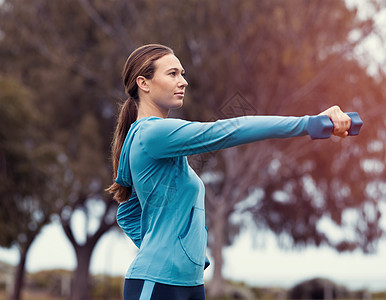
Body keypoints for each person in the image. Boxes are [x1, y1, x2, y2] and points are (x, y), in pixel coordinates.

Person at [106, 44, 351, 300]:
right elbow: (227, 130)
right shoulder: (152, 133)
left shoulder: (156, 139)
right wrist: (310, 123)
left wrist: (184, 250)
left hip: (190, 283)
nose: (183, 81)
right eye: (172, 74)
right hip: (156, 283)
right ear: (143, 83)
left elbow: (128, 213)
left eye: (182, 73)